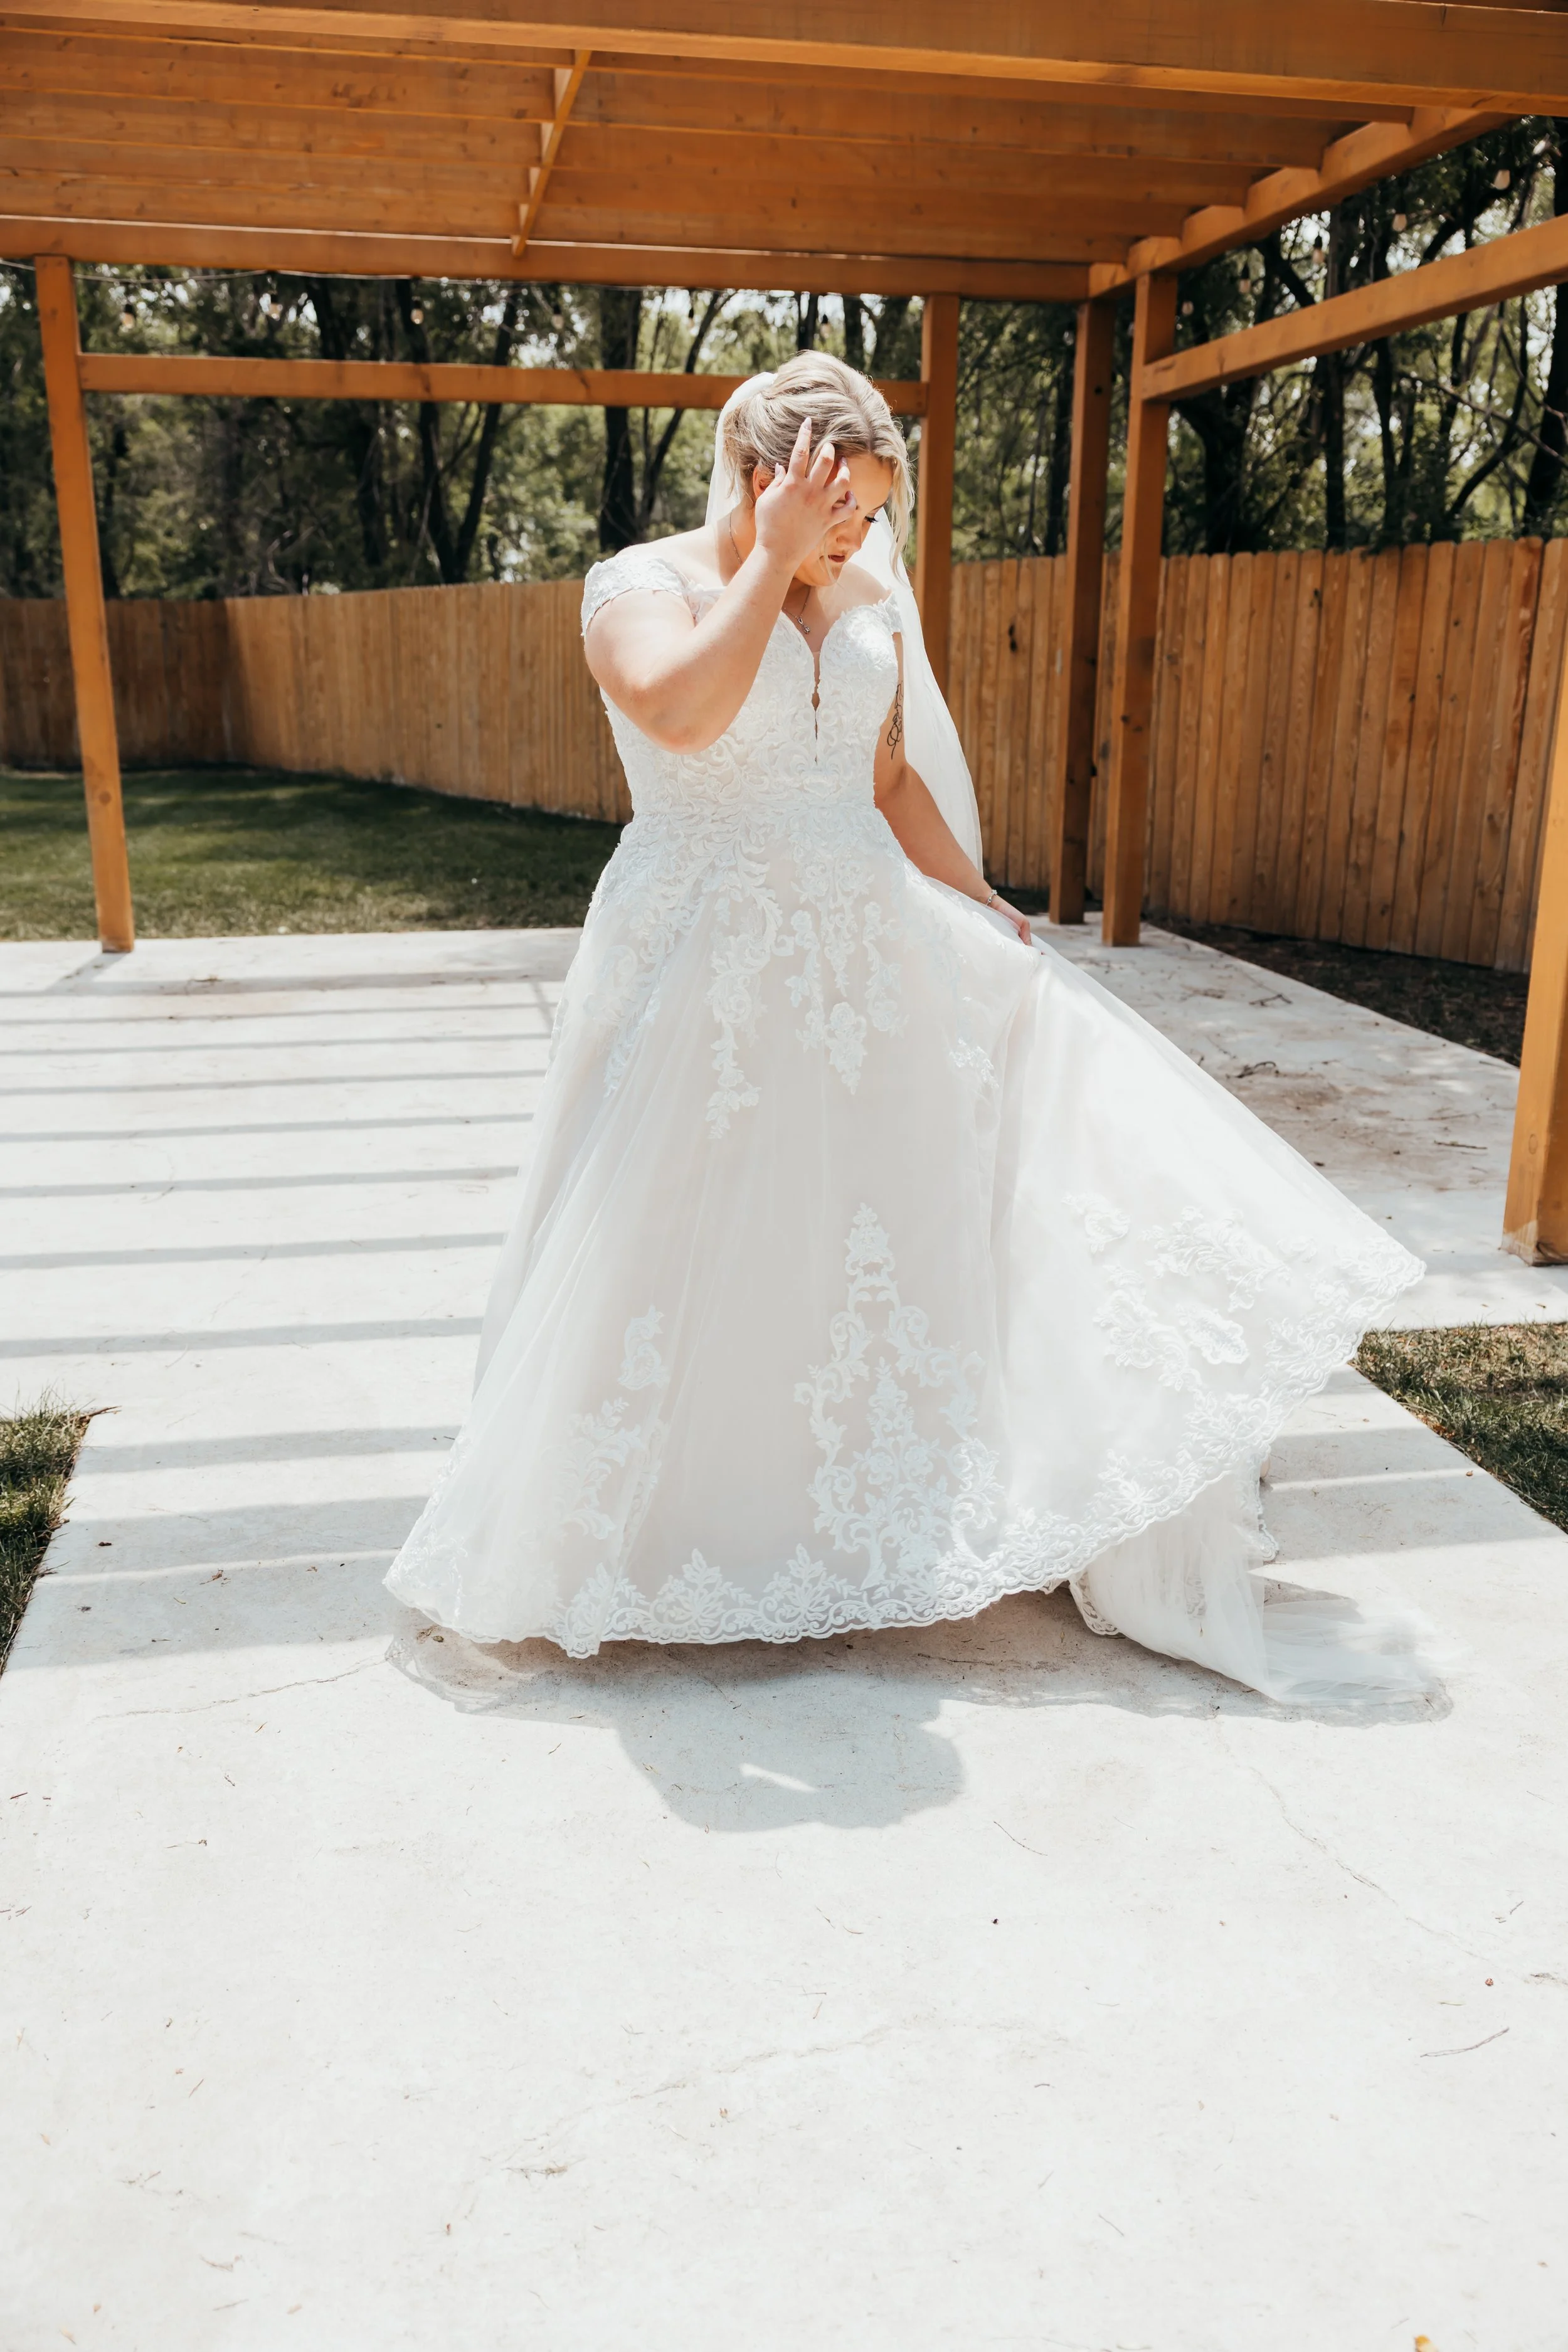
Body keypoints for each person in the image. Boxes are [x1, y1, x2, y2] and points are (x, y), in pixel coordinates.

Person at [387, 354, 1436, 1706]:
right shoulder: (639, 589)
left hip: (866, 950)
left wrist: (986, 905)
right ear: (766, 483)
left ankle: (881, 1508)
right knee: (686, 1230)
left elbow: (878, 775)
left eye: (871, 512)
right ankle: (675, 1535)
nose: (860, 540)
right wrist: (771, 564)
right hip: (697, 949)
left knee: (872, 1224)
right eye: (841, 511)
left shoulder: (868, 590)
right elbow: (679, 713)